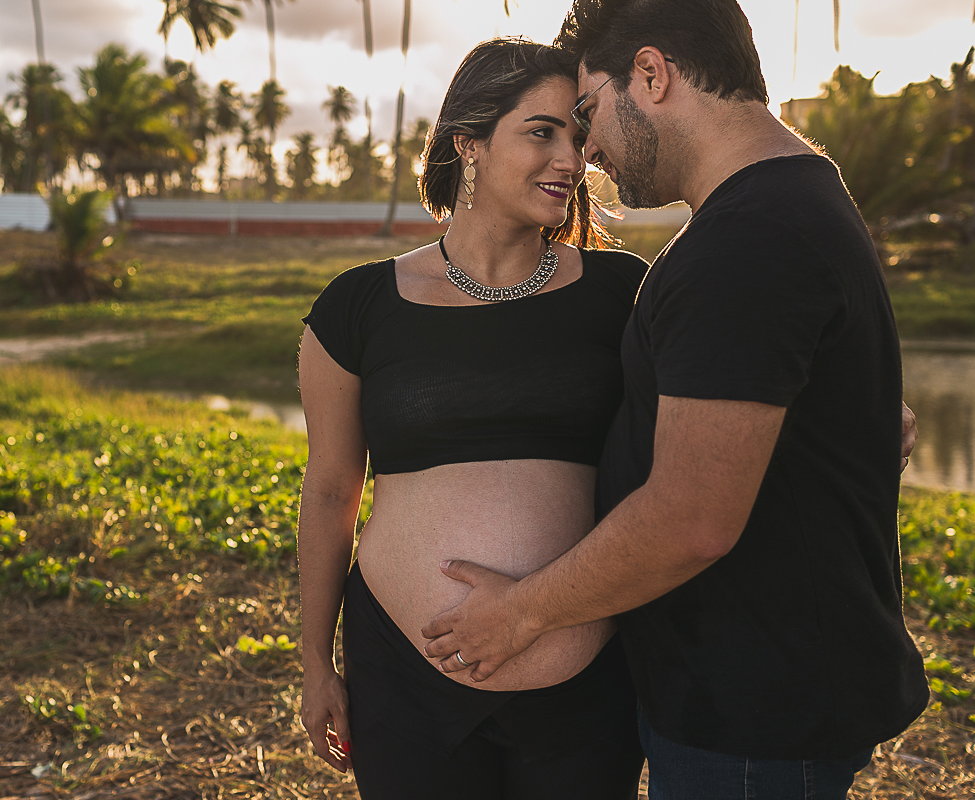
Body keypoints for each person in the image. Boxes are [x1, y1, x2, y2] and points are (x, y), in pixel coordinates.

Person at [420, 2, 930, 799]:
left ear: (651, 75)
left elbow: (690, 521)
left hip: (755, 713)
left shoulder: (746, 241)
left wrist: (519, 613)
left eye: (588, 115)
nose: (586, 151)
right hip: (760, 688)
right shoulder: (789, 199)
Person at [297, 39, 651, 799]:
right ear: (470, 143)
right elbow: (330, 491)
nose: (570, 159)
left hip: (586, 681)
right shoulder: (357, 307)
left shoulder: (623, 292)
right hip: (403, 682)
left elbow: (734, 375)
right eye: (542, 132)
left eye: (580, 138)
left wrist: (861, 396)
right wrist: (314, 664)